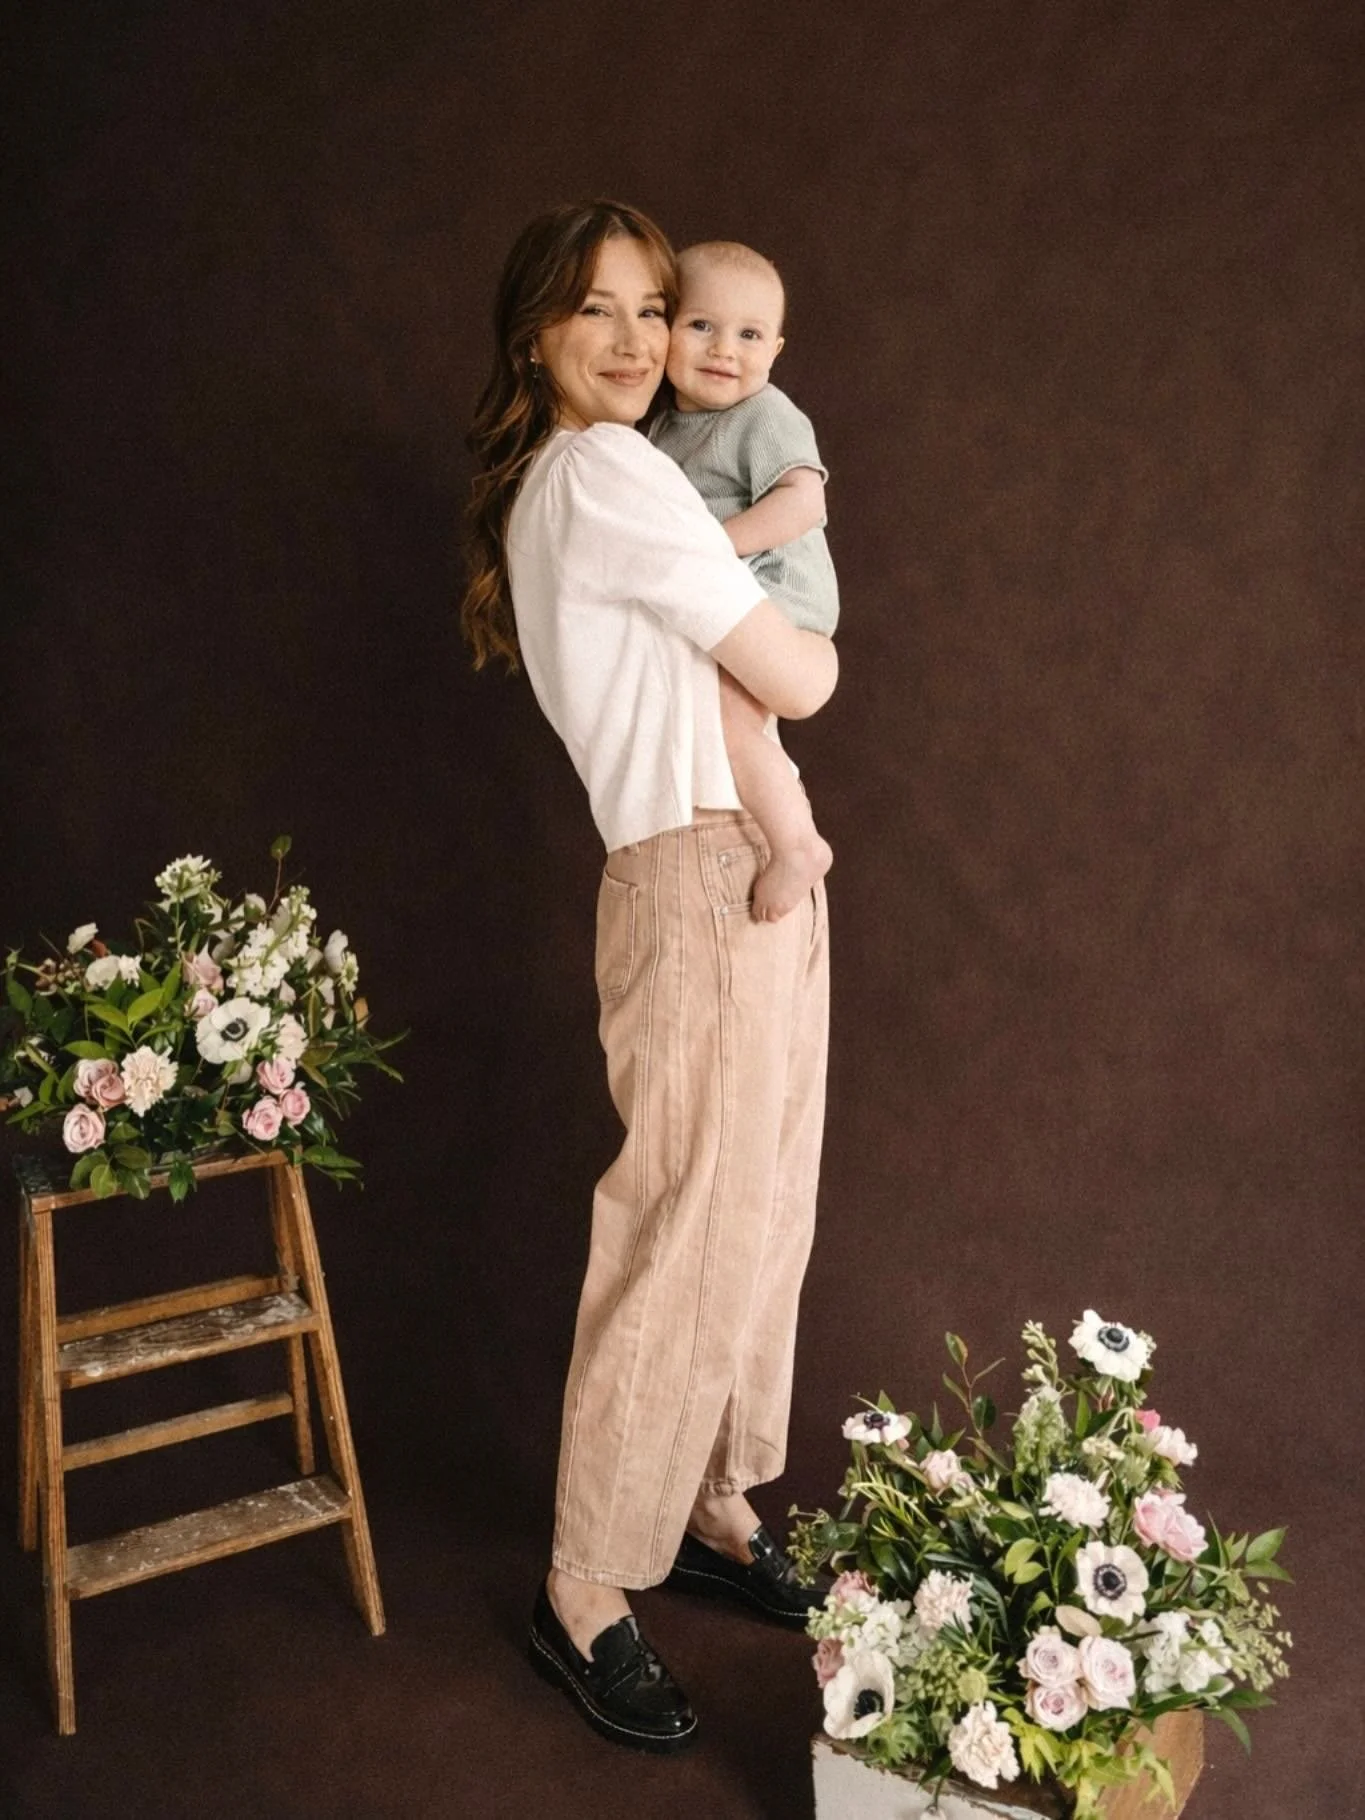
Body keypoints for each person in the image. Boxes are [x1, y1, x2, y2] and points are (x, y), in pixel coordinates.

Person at [462, 199, 835, 1754]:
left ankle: (709, 1499)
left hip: (737, 862)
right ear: (536, 335)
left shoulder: (628, 467)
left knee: (763, 1200)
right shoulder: (606, 470)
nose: (631, 341)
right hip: (691, 865)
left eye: (648, 309)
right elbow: (805, 672)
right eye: (593, 312)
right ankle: (585, 1581)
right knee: (686, 1215)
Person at [649, 240, 837, 923]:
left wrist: (713, 549)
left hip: (782, 596)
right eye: (701, 325)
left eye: (749, 334)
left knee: (726, 721)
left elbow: (803, 503)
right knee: (717, 724)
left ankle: (797, 844)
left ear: (776, 350)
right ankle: (773, 830)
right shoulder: (663, 429)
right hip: (736, 600)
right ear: (663, 326)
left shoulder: (764, 414)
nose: (724, 349)